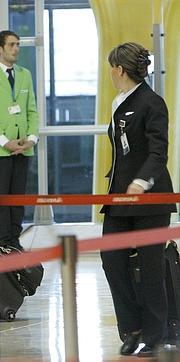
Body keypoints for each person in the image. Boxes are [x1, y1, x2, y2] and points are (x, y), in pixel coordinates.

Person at [99, 42, 175, 358]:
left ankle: (155, 333)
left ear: (119, 69)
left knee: (150, 266)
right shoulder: (119, 101)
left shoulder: (152, 103)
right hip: (118, 199)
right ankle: (131, 329)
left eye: (111, 68)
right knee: (112, 260)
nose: (111, 73)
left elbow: (159, 151)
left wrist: (141, 182)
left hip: (151, 200)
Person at [0, 30, 38, 250]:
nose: (16, 49)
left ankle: (14, 239)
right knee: (2, 197)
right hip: (0, 150)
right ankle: (3, 241)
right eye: (12, 45)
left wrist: (31, 139)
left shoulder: (25, 74)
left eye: (18, 44)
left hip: (23, 148)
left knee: (18, 197)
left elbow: (32, 109)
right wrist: (5, 142)